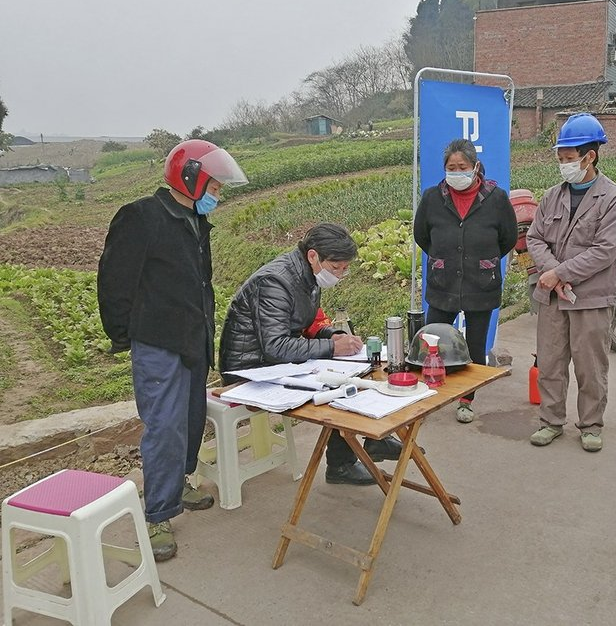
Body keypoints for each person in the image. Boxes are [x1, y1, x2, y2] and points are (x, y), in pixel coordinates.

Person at [97, 139, 249, 561]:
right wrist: (125, 334)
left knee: (190, 417)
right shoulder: (142, 217)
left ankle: (177, 481)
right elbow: (114, 280)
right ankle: (156, 514)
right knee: (163, 426)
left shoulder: (194, 221)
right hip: (158, 341)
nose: (218, 194)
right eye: (215, 186)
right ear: (191, 177)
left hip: (191, 337)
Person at [218, 223, 403, 486]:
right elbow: (276, 346)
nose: (340, 275)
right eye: (335, 267)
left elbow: (303, 325)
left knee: (354, 373)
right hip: (250, 370)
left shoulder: (308, 277)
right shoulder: (275, 282)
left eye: (345, 268)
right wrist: (331, 347)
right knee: (338, 386)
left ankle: (370, 444)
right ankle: (342, 464)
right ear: (313, 256)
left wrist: (331, 336)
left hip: (277, 364)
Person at [525, 113, 616, 452]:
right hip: (553, 298)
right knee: (550, 364)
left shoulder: (615, 199)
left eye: (569, 159)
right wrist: (552, 273)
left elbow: (605, 251)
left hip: (592, 299)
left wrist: (560, 274)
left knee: (591, 368)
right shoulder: (552, 196)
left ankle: (591, 425)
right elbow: (535, 237)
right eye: (560, 159)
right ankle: (550, 422)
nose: (564, 165)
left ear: (590, 156)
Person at [413, 139, 517, 422]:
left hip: (480, 285)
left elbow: (507, 238)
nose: (457, 172)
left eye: (462, 167)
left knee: (474, 347)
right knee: (432, 343)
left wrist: (484, 261)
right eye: (451, 167)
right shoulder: (433, 198)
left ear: (476, 167)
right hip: (442, 283)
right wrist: (443, 259)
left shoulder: (496, 199)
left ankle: (466, 399)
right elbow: (422, 235)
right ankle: (427, 395)